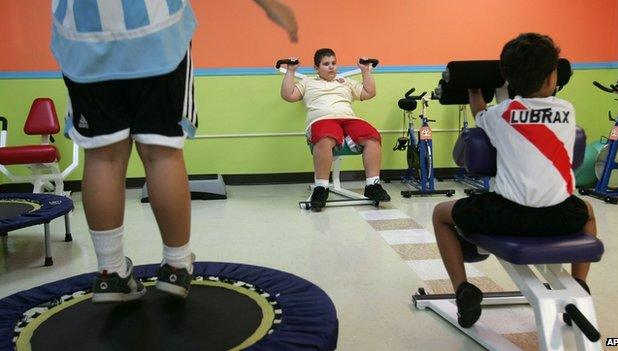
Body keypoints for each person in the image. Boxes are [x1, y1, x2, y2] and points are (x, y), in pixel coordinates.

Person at [50, 0, 298, 303]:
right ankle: (177, 265)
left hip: (83, 37)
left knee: (103, 155)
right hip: (156, 32)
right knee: (161, 153)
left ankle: (110, 272)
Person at [431, 33, 597, 327]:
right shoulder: (567, 110)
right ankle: (579, 283)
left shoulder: (502, 114)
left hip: (508, 217)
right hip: (561, 216)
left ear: (507, 77)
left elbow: (480, 110)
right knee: (588, 211)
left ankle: (463, 290)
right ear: (551, 78)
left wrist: (473, 89)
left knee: (440, 214)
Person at [280, 48, 391, 210]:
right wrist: (290, 71)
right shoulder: (307, 82)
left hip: (349, 119)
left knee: (372, 136)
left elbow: (369, 93)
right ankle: (321, 188)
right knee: (325, 137)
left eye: (333, 63)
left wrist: (365, 71)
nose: (331, 67)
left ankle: (372, 185)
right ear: (316, 68)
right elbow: (288, 95)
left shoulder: (345, 81)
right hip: (322, 119)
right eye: (326, 64)